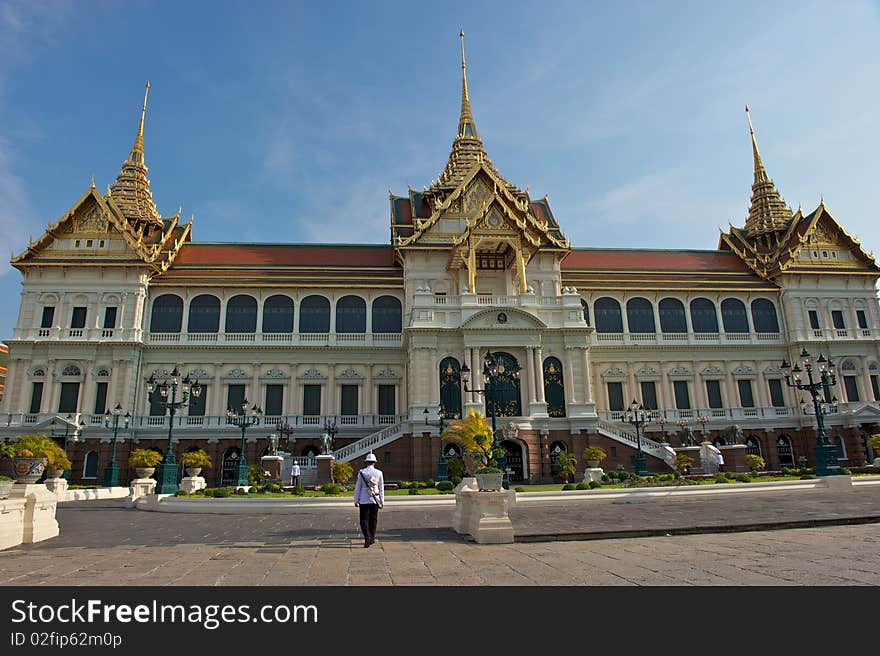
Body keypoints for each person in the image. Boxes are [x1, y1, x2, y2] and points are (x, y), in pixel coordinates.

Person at [353, 452, 384, 548]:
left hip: (363, 498)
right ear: (374, 462)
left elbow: (358, 487)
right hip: (375, 498)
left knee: (363, 519)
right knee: (373, 519)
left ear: (366, 462)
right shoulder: (379, 473)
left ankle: (367, 537)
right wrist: (382, 500)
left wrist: (356, 499)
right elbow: (381, 487)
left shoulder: (362, 472)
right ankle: (372, 537)